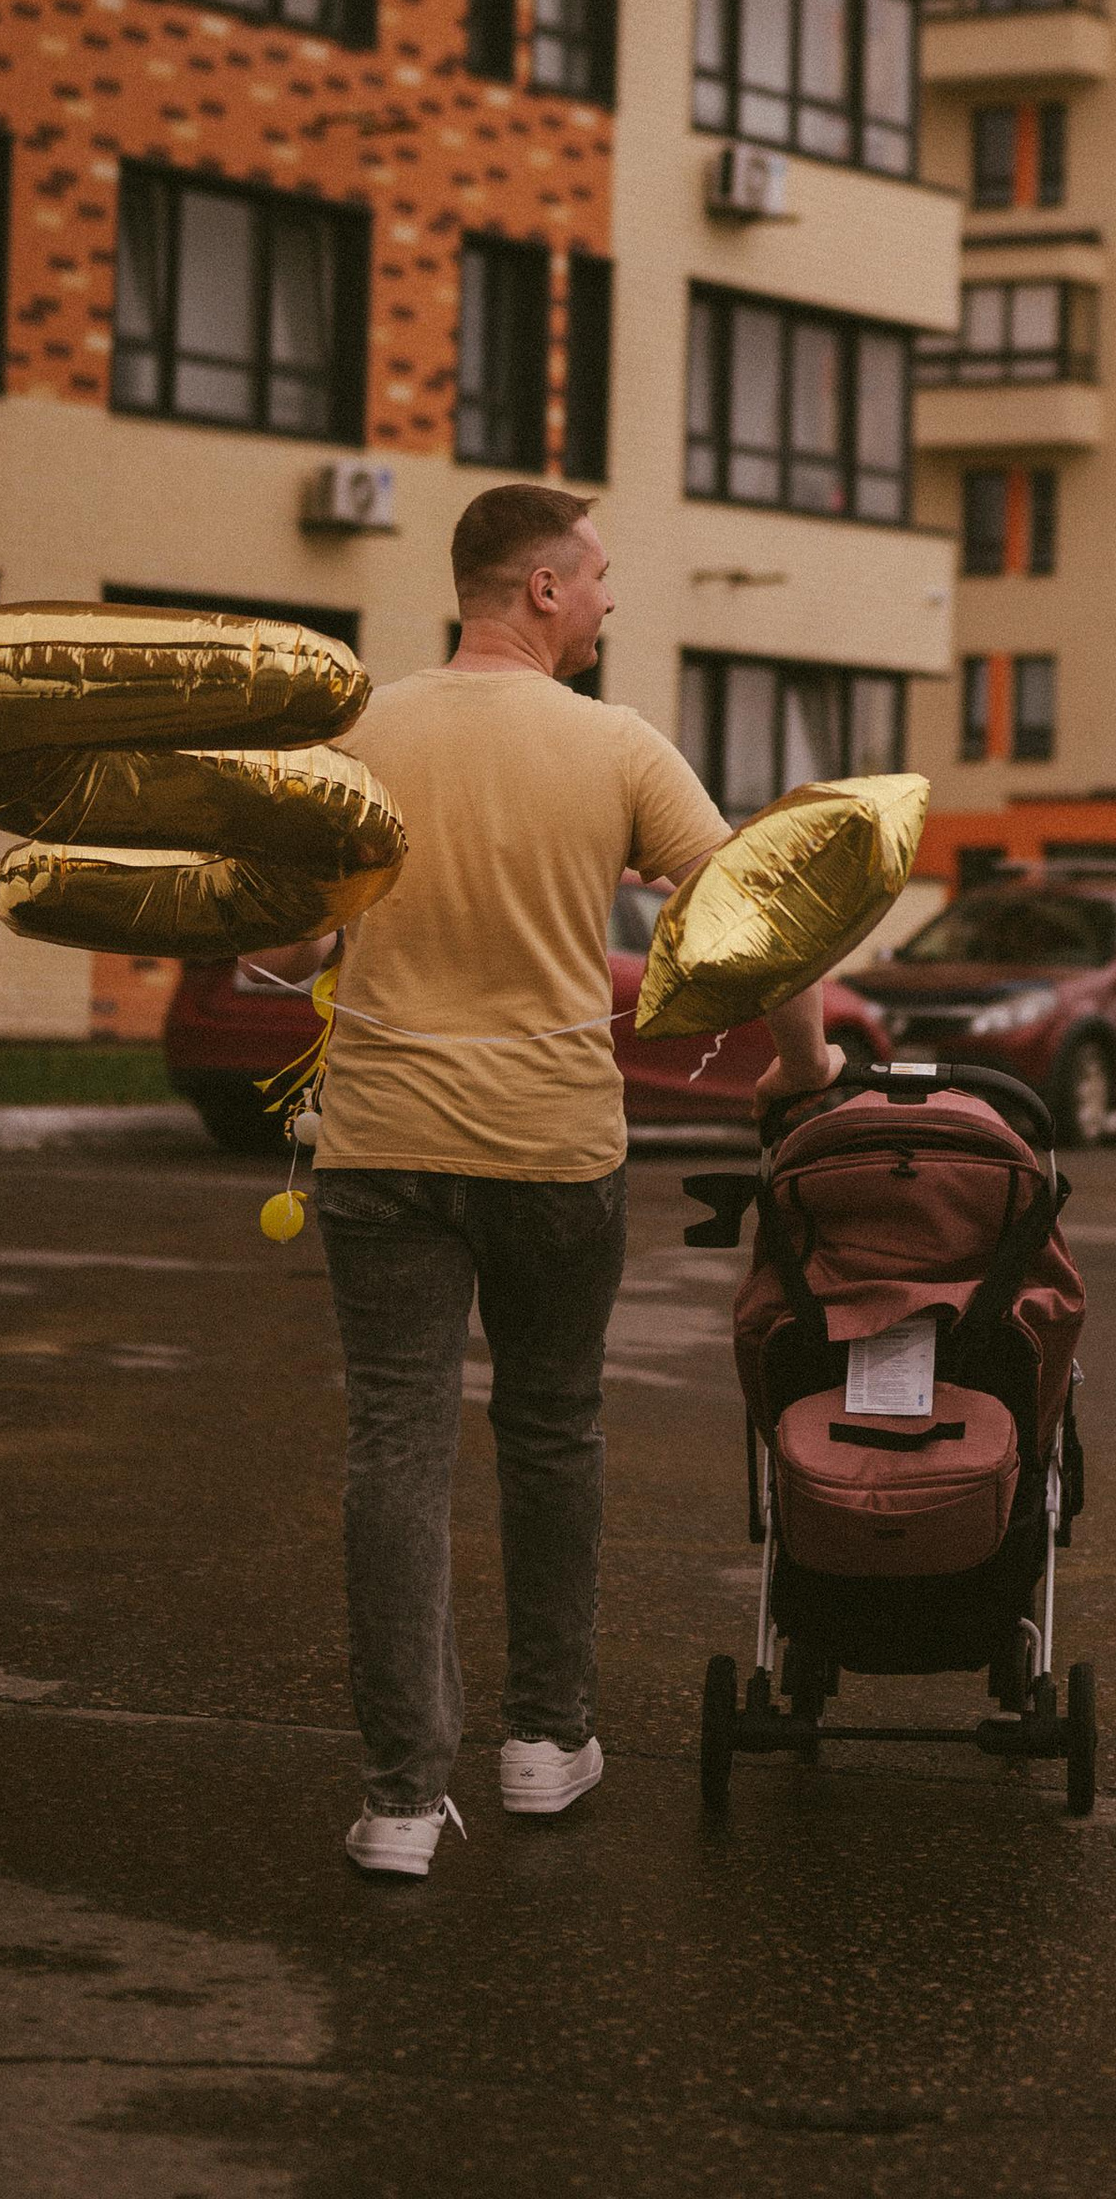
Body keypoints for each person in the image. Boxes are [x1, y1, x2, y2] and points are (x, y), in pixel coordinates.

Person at [296, 484, 837, 1880]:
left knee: (394, 1448)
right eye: (595, 576)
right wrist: (803, 1066)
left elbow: (287, 930)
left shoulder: (358, 732)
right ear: (538, 587)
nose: (608, 598)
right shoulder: (613, 744)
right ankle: (545, 1741)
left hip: (380, 1138)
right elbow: (760, 917)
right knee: (549, 1430)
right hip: (547, 1143)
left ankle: (401, 1800)